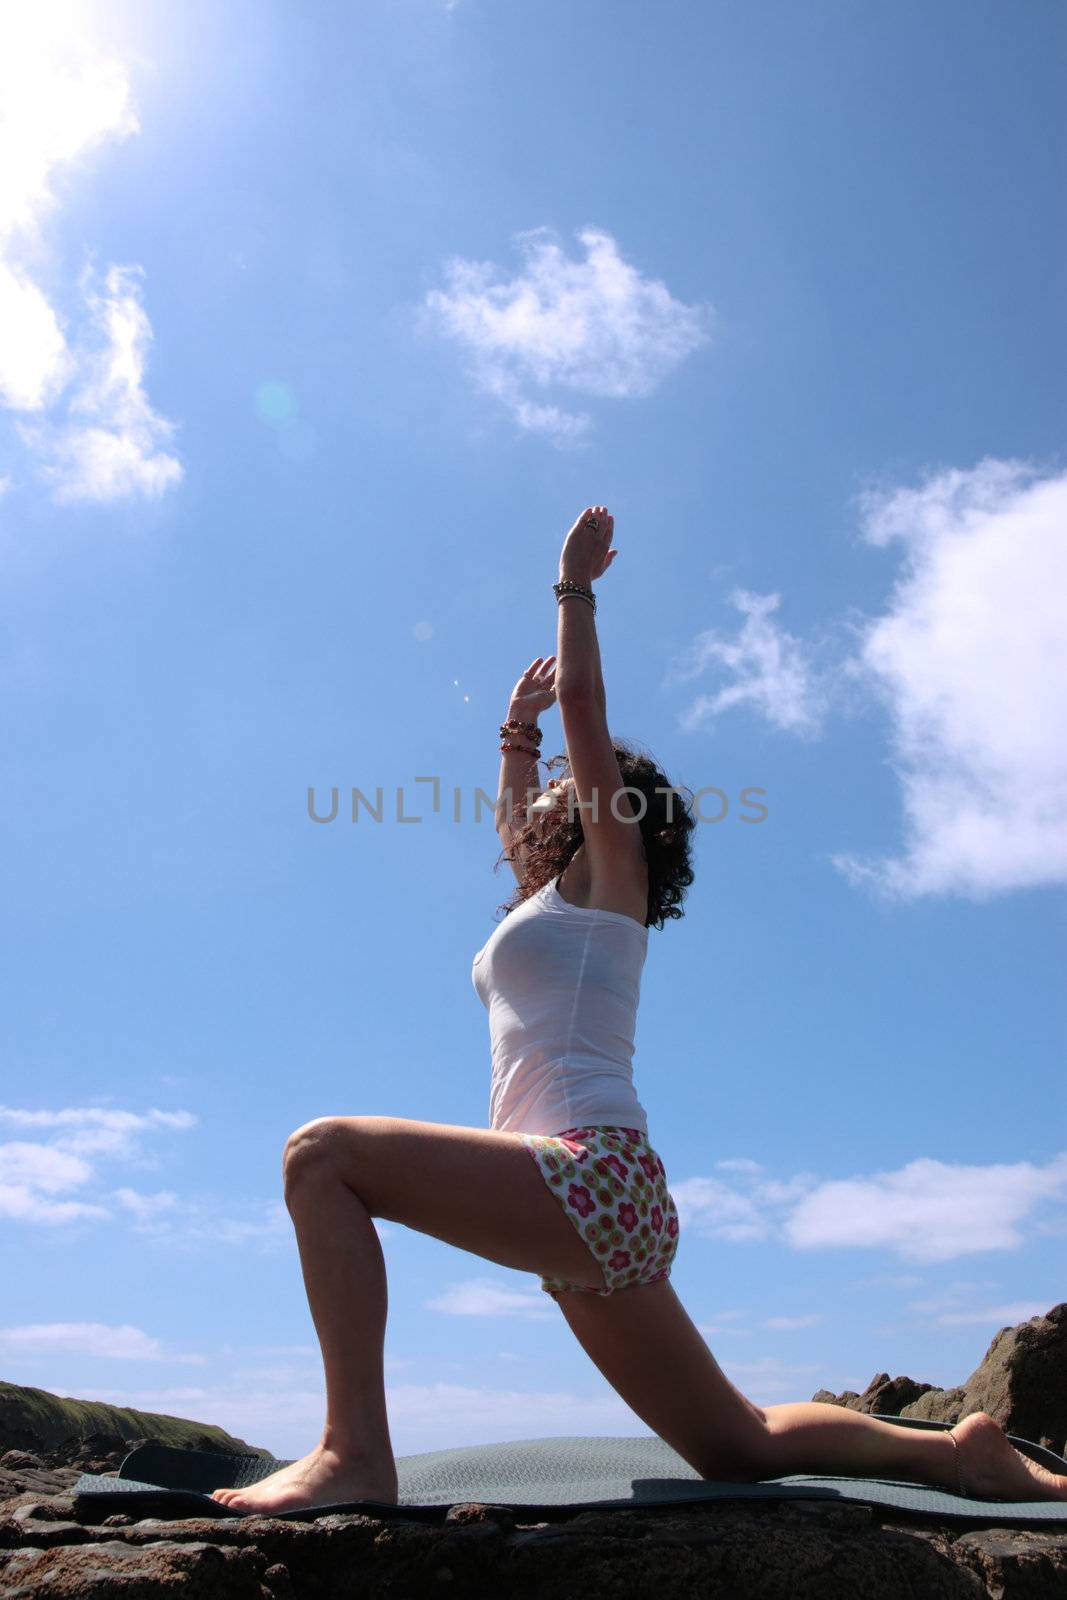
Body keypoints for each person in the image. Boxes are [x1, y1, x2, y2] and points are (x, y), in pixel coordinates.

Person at [211, 506, 1067, 1513]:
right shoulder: (551, 906)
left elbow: (585, 705)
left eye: (574, 788)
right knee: (736, 1446)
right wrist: (510, 731)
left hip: (588, 1178)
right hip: (594, 1211)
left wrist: (571, 587)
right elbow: (513, 813)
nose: (549, 803)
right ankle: (958, 1452)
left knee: (322, 1154)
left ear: (610, 815)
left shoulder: (611, 883)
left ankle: (352, 1453)